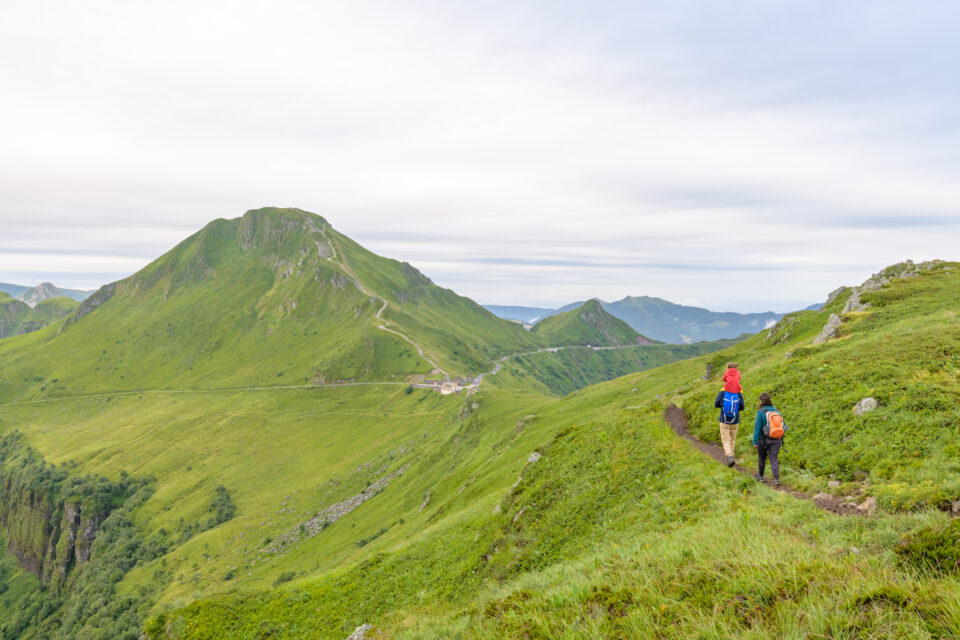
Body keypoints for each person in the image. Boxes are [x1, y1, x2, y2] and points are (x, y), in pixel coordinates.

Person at [752, 392, 787, 487]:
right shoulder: (776, 411)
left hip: (763, 439)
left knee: (761, 458)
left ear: (761, 401)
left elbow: (757, 428)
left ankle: (761, 477)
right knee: (773, 458)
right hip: (776, 438)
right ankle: (776, 480)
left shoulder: (760, 412)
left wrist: (755, 441)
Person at [714, 379, 745, 467]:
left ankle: (730, 457)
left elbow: (716, 404)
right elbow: (742, 407)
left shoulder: (723, 392)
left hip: (724, 420)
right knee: (732, 439)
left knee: (726, 440)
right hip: (735, 420)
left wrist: (723, 406)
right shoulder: (738, 393)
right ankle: (731, 457)